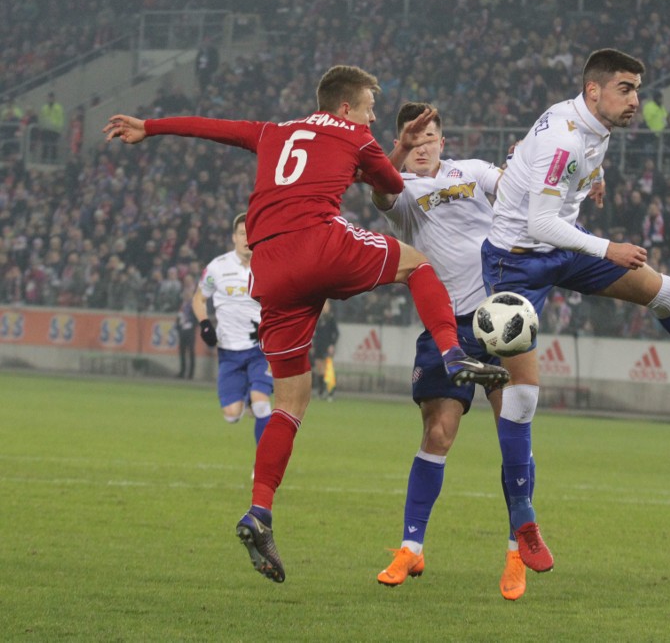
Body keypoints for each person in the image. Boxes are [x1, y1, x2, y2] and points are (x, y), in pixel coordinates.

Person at [103, 65, 508, 585]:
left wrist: (150, 127)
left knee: (290, 400)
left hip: (270, 269)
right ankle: (454, 352)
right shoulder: (357, 136)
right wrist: (396, 148)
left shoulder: (273, 132)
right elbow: (388, 185)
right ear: (346, 108)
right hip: (319, 243)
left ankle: (260, 511)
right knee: (418, 265)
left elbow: (214, 126)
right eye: (368, 107)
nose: (372, 115)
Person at [479, 48, 670, 574]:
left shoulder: (588, 126)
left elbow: (552, 176)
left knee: (663, 289)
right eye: (626, 88)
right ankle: (524, 516)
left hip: (561, 250)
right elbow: (538, 223)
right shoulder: (565, 138)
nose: (636, 100)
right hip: (516, 263)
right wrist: (607, 247)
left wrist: (588, 183)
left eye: (637, 89)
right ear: (594, 90)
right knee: (524, 396)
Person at [371, 102, 527, 600]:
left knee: (512, 437)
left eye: (429, 138)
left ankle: (516, 551)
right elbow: (377, 190)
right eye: (412, 141)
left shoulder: (474, 171)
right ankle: (411, 546)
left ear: (443, 140)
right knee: (438, 433)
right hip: (444, 328)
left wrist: (524, 165)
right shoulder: (402, 191)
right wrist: (393, 158)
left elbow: (514, 189)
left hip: (501, 316)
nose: (421, 148)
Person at [193, 213, 273, 445]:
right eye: (242, 233)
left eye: (251, 232)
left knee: (260, 403)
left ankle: (263, 466)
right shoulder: (217, 267)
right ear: (234, 237)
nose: (247, 238)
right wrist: (205, 324)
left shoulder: (270, 264)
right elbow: (199, 299)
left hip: (260, 349)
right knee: (232, 415)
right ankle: (246, 396)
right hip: (229, 351)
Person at [311, 300, 339, 400]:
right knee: (319, 369)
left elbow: (336, 333)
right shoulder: (317, 318)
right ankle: (321, 391)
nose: (324, 307)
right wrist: (313, 345)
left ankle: (331, 391)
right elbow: (314, 333)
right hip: (318, 346)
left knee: (328, 370)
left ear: (329, 306)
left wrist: (332, 344)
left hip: (327, 346)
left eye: (326, 305)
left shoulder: (330, 318)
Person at [176, 287, 198, 379]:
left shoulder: (193, 305)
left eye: (188, 295)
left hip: (190, 330)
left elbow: (197, 318)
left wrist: (192, 325)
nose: (186, 296)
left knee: (191, 351)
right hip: (182, 330)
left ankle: (191, 374)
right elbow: (178, 317)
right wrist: (178, 326)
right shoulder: (182, 306)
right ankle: (182, 371)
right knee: (182, 351)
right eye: (185, 295)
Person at [39, 91, 65, 163]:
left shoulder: (58, 107)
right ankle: (43, 160)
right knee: (45, 146)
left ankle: (53, 161)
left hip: (54, 130)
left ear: (54, 98)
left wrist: (59, 129)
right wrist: (42, 127)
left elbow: (61, 118)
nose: (50, 99)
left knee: (54, 146)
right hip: (46, 129)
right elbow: (42, 118)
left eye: (51, 97)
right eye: (49, 97)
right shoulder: (44, 107)